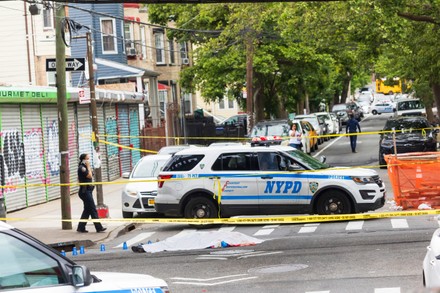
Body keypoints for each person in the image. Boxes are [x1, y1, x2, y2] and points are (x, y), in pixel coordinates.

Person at [77, 153, 106, 233]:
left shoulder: (85, 167)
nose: (88, 160)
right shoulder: (82, 168)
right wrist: (89, 166)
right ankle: (99, 227)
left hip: (88, 191)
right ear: (84, 160)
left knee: (87, 210)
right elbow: (89, 176)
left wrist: (89, 167)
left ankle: (81, 227)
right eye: (87, 159)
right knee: (93, 209)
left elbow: (91, 175)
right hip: (84, 192)